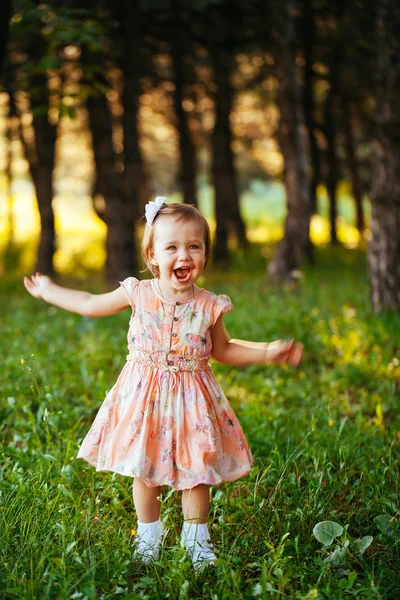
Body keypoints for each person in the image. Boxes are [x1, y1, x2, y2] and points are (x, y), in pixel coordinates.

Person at [23, 197, 303, 570]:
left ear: (204, 254)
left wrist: (267, 350)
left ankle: (196, 540)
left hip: (193, 400)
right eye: (172, 247)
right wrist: (49, 291)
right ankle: (149, 535)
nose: (183, 255)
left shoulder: (208, 305)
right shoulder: (138, 293)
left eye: (194, 246)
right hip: (145, 399)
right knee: (145, 468)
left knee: (197, 470)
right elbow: (90, 302)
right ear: (152, 255)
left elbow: (223, 349)